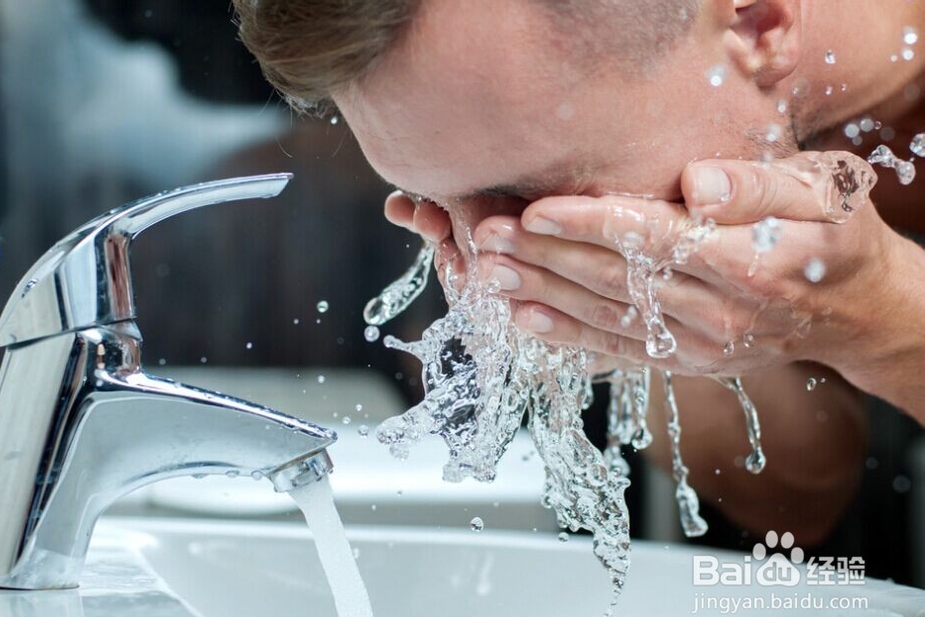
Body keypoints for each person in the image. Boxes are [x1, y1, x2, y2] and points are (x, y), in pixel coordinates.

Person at [230, 0, 925, 546]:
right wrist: (710, 331)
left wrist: (885, 317)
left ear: (759, 22)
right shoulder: (657, 113)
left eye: (536, 197)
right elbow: (800, 499)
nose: (492, 256)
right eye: (437, 201)